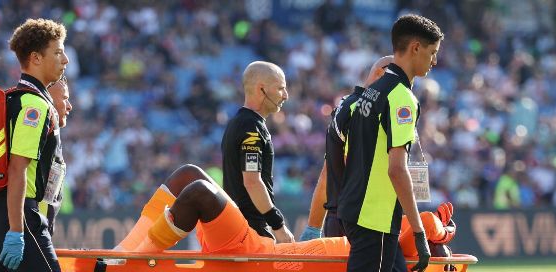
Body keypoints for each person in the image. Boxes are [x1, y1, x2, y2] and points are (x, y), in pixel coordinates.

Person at [114, 164, 455, 260]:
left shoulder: (400, 252)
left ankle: (133, 260)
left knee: (199, 191)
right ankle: (122, 254)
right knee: (190, 175)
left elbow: (424, 224)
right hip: (256, 251)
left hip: (254, 261)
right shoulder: (379, 243)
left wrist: (440, 231)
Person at [338, 14, 443, 272]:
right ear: (415, 48)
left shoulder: (371, 91)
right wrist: (419, 232)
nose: (435, 61)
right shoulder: (402, 98)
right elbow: (396, 169)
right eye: (432, 52)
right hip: (376, 217)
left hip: (356, 208)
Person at [0, 18, 70, 272]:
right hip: (16, 215)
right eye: (58, 52)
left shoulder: (9, 99)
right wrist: (17, 231)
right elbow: (18, 169)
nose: (65, 60)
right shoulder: (34, 106)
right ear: (36, 58)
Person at [301, 55, 395, 241]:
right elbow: (339, 172)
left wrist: (313, 226)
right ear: (380, 74)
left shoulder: (349, 104)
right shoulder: (362, 111)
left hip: (346, 218)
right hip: (359, 220)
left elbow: (327, 175)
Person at [221, 61, 293, 243]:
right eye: (280, 88)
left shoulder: (242, 122)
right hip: (251, 229)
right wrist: (278, 225)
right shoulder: (250, 127)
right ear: (262, 89)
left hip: (242, 227)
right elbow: (252, 181)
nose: (286, 95)